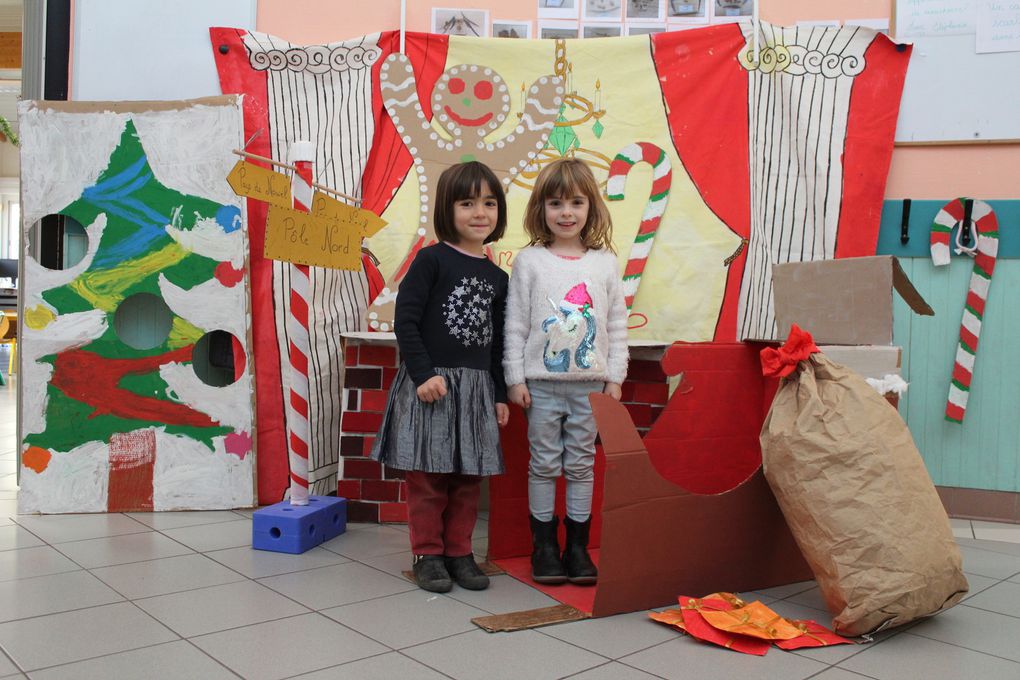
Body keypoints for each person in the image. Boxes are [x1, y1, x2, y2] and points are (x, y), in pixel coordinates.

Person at [371, 161, 510, 593]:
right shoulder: (431, 260)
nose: (479, 212)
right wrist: (423, 373)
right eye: (467, 203)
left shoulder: (498, 278)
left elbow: (499, 343)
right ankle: (427, 553)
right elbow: (406, 322)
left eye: (488, 203)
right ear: (448, 210)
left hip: (476, 391)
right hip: (432, 387)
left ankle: (459, 553)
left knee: (468, 479)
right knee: (429, 478)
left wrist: (500, 394)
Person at [504, 157, 629, 585]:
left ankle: (576, 547)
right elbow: (516, 323)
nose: (566, 213)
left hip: (590, 387)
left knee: (580, 466)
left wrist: (615, 377)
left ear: (591, 207)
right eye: (555, 203)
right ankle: (544, 547)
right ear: (541, 209)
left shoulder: (605, 263)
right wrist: (515, 378)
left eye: (576, 202)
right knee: (543, 465)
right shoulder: (531, 261)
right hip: (540, 385)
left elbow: (615, 324)